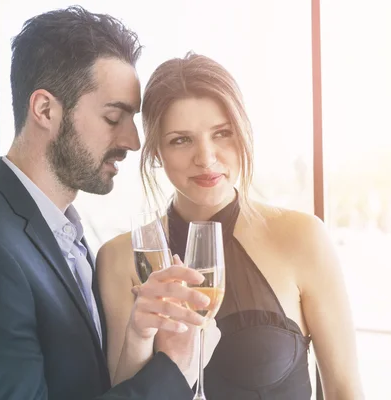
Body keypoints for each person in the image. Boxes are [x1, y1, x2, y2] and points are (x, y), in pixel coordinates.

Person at [0, 7, 220, 400]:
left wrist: (139, 336)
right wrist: (174, 371)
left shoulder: (66, 235)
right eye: (113, 117)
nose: (133, 142)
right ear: (45, 110)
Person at [97, 52, 365, 399]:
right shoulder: (122, 258)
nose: (206, 158)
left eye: (222, 133)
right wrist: (140, 334)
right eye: (181, 139)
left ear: (243, 134)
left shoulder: (301, 238)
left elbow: (345, 391)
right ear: (156, 153)